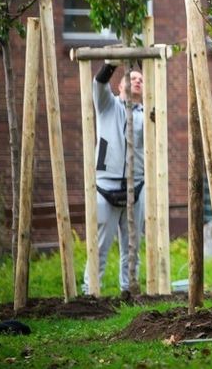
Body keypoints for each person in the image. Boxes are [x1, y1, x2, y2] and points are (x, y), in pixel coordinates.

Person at [82, 60, 144, 297]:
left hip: (136, 184)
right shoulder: (107, 106)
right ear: (119, 86)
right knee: (100, 244)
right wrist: (111, 64)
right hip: (106, 185)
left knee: (132, 246)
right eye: (132, 77)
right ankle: (91, 292)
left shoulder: (147, 113)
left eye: (140, 80)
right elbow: (98, 83)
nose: (137, 81)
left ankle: (129, 290)